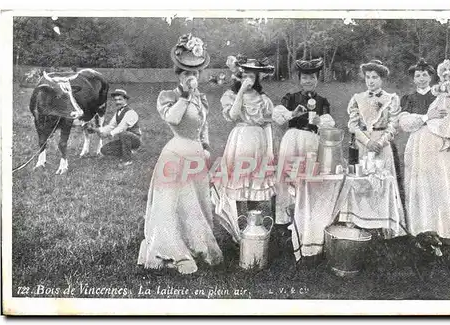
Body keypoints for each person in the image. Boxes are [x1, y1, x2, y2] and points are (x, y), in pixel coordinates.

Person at [137, 34, 223, 274]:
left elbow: (203, 125)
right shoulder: (168, 96)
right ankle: (172, 248)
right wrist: (184, 96)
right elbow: (173, 119)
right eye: (186, 74)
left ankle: (197, 243)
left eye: (194, 74)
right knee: (173, 204)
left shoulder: (201, 99)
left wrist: (205, 146)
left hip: (196, 155)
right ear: (179, 75)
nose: (191, 79)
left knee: (197, 203)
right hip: (176, 154)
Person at [399, 58, 450, 242]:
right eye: (417, 75)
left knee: (441, 182)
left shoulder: (442, 94)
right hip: (418, 145)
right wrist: (425, 117)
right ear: (413, 79)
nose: (421, 78)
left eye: (424, 75)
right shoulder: (409, 99)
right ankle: (422, 228)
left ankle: (446, 229)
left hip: (440, 144)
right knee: (421, 184)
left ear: (431, 77)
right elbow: (405, 123)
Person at [212, 56, 276, 236]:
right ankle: (239, 226)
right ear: (239, 75)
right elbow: (233, 115)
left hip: (257, 140)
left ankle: (253, 225)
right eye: (245, 74)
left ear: (257, 78)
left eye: (252, 76)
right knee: (240, 181)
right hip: (240, 139)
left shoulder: (263, 98)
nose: (248, 79)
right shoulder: (231, 95)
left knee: (254, 183)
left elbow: (267, 120)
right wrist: (241, 91)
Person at [272, 58, 335, 226]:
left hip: (312, 141)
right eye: (305, 78)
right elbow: (279, 116)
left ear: (317, 79)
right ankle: (285, 216)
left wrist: (319, 122)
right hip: (293, 138)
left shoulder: (323, 101)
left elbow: (328, 122)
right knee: (288, 175)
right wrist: (293, 114)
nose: (308, 81)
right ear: (299, 80)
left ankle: (307, 215)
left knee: (308, 175)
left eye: (312, 77)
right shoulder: (291, 98)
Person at [347, 59, 402, 179]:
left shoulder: (391, 98)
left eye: (374, 77)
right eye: (368, 77)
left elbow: (393, 125)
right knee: (363, 180)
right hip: (363, 143)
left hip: (382, 143)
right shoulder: (357, 98)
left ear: (382, 79)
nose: (370, 81)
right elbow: (353, 126)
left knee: (383, 179)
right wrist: (368, 142)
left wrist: (380, 143)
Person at [95, 89, 141, 166]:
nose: (117, 102)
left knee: (124, 134)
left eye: (120, 99)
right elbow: (111, 126)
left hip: (135, 140)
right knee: (104, 150)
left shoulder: (131, 113)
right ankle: (127, 152)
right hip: (124, 140)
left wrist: (109, 134)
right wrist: (98, 130)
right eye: (116, 100)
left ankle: (127, 160)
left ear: (126, 100)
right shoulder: (118, 113)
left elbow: (122, 128)